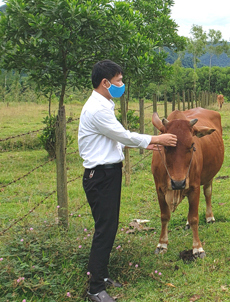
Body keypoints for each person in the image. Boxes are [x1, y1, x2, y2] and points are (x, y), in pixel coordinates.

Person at [79, 60, 177, 302]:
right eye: (119, 81)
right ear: (105, 83)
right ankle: (95, 288)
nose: (122, 85)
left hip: (107, 173)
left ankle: (100, 276)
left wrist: (149, 143)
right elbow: (122, 134)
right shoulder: (97, 109)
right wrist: (158, 138)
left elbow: (113, 138)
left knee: (108, 227)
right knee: (105, 229)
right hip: (100, 175)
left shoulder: (104, 103)